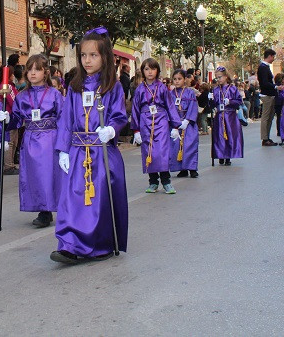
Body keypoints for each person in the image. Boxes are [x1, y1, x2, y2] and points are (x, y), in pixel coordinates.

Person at [50, 28, 128, 265]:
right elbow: (65, 119)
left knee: (99, 201)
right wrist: (63, 149)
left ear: (105, 57)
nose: (87, 60)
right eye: (84, 55)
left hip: (102, 152)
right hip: (77, 151)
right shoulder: (75, 87)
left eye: (93, 55)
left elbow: (120, 115)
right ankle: (70, 244)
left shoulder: (113, 86)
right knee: (72, 198)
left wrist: (112, 129)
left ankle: (100, 244)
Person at [8, 54, 64, 227]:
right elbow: (16, 121)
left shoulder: (54, 94)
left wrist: (63, 144)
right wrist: (5, 118)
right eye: (29, 69)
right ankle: (43, 210)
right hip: (31, 139)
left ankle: (59, 208)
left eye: (37, 69)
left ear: (45, 72)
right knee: (36, 176)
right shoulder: (21, 96)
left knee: (50, 174)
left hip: (51, 138)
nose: (32, 73)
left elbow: (63, 118)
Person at [131, 58, 180, 194]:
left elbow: (170, 106)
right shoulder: (140, 89)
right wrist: (136, 130)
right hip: (145, 122)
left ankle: (166, 181)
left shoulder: (163, 88)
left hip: (161, 121)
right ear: (142, 71)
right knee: (149, 151)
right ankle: (153, 181)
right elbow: (135, 109)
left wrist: (175, 126)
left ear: (157, 70)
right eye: (146, 69)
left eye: (152, 68)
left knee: (162, 151)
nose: (150, 72)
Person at [210, 66, 244, 166]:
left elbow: (239, 102)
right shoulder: (215, 90)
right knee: (219, 136)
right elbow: (212, 105)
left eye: (220, 77)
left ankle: (228, 155)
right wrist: (211, 100)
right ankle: (221, 154)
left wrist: (231, 101)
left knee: (230, 135)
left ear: (225, 77)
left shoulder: (232, 88)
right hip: (219, 115)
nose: (218, 79)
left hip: (230, 116)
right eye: (217, 78)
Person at [169, 69, 200, 178]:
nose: (177, 81)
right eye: (175, 79)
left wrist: (187, 120)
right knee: (176, 146)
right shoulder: (170, 94)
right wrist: (175, 123)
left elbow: (193, 107)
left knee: (190, 145)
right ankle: (181, 168)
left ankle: (192, 168)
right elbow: (169, 109)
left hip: (188, 124)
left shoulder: (190, 92)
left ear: (184, 79)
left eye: (179, 79)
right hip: (176, 124)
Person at [257, 48, 278, 146]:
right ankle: (264, 138)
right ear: (269, 56)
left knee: (270, 117)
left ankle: (267, 137)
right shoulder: (263, 67)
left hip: (270, 94)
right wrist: (275, 86)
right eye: (273, 57)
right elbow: (264, 82)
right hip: (267, 95)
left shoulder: (265, 67)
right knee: (266, 117)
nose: (273, 59)